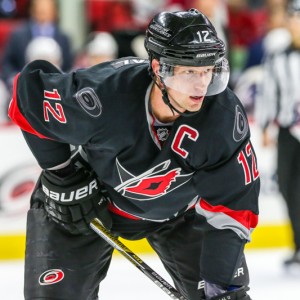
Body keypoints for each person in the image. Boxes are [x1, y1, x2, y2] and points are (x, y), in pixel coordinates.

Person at [8, 8, 259, 300]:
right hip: (88, 203)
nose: (201, 85)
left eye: (208, 71)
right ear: (157, 69)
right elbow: (28, 96)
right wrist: (62, 174)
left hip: (180, 212)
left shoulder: (223, 115)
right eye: (189, 71)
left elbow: (234, 205)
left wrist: (221, 284)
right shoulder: (103, 94)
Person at [256, 0, 300, 271]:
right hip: (287, 129)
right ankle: (299, 245)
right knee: (288, 187)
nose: (296, 22)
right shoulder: (277, 56)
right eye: (293, 17)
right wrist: (263, 127)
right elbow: (268, 93)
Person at [1, 0, 73, 90]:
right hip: (24, 88)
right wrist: (15, 80)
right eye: (39, 7)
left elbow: (69, 67)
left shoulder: (63, 38)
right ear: (32, 10)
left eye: (46, 8)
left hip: (55, 90)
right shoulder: (18, 35)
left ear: (55, 11)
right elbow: (7, 64)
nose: (42, 10)